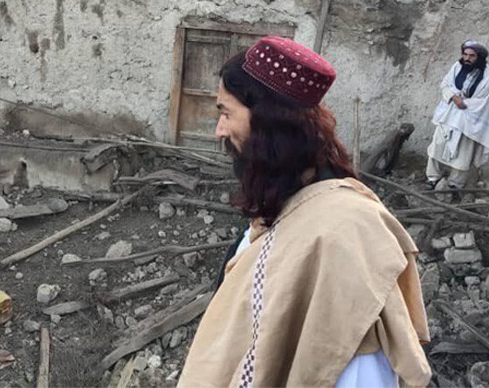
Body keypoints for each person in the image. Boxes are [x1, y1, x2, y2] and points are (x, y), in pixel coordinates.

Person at [178, 36, 431, 387]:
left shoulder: (342, 236)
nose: (219, 130)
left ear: (267, 123)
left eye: (225, 112)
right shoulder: (289, 206)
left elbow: (356, 369)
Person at [426, 39, 489, 193]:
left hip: (470, 119)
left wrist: (464, 103)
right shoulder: (457, 66)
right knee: (437, 146)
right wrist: (454, 97)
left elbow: (484, 100)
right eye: (465, 54)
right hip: (449, 114)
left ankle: (455, 184)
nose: (467, 58)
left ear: (479, 57)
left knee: (464, 153)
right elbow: (445, 84)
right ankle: (432, 178)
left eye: (472, 56)